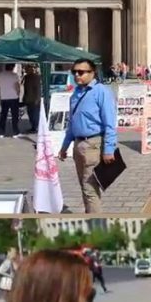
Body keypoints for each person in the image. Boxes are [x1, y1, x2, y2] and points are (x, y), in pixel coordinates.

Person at [58, 59, 118, 213]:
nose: (77, 75)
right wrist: (64, 146)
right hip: (78, 144)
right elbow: (72, 123)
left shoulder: (101, 91)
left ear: (93, 73)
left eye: (81, 72)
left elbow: (110, 122)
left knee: (89, 187)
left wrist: (109, 149)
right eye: (74, 72)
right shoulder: (76, 94)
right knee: (84, 186)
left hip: (93, 144)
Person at [0, 64, 22, 137]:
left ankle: (1, 132)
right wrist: (18, 94)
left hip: (4, 97)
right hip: (13, 97)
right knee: (14, 115)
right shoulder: (14, 75)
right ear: (12, 67)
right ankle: (15, 132)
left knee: (3, 115)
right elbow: (17, 86)